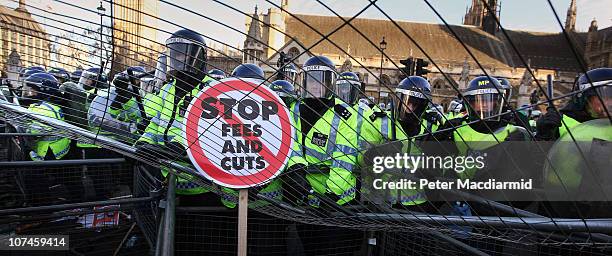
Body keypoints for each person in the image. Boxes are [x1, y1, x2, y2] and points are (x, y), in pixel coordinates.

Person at [135, 29, 216, 204]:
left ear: (198, 57)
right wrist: (143, 143)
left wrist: (179, 146)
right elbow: (156, 122)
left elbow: (209, 129)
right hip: (169, 176)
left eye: (182, 55)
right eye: (174, 54)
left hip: (199, 183)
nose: (177, 60)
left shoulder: (211, 90)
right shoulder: (168, 88)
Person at [282, 55, 360, 208]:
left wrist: (332, 194)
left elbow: (344, 159)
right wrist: (296, 170)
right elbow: (293, 144)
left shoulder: (344, 113)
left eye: (321, 81)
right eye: (311, 81)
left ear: (329, 83)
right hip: (304, 194)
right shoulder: (295, 110)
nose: (315, 86)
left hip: (337, 200)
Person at [536, 67, 611, 141]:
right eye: (608, 95)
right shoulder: (558, 124)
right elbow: (534, 152)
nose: (611, 103)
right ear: (584, 98)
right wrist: (543, 137)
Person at [23, 72, 70, 161]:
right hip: (59, 149)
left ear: (43, 90)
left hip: (48, 151)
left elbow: (34, 133)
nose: (30, 93)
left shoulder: (43, 109)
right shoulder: (52, 104)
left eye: (33, 90)